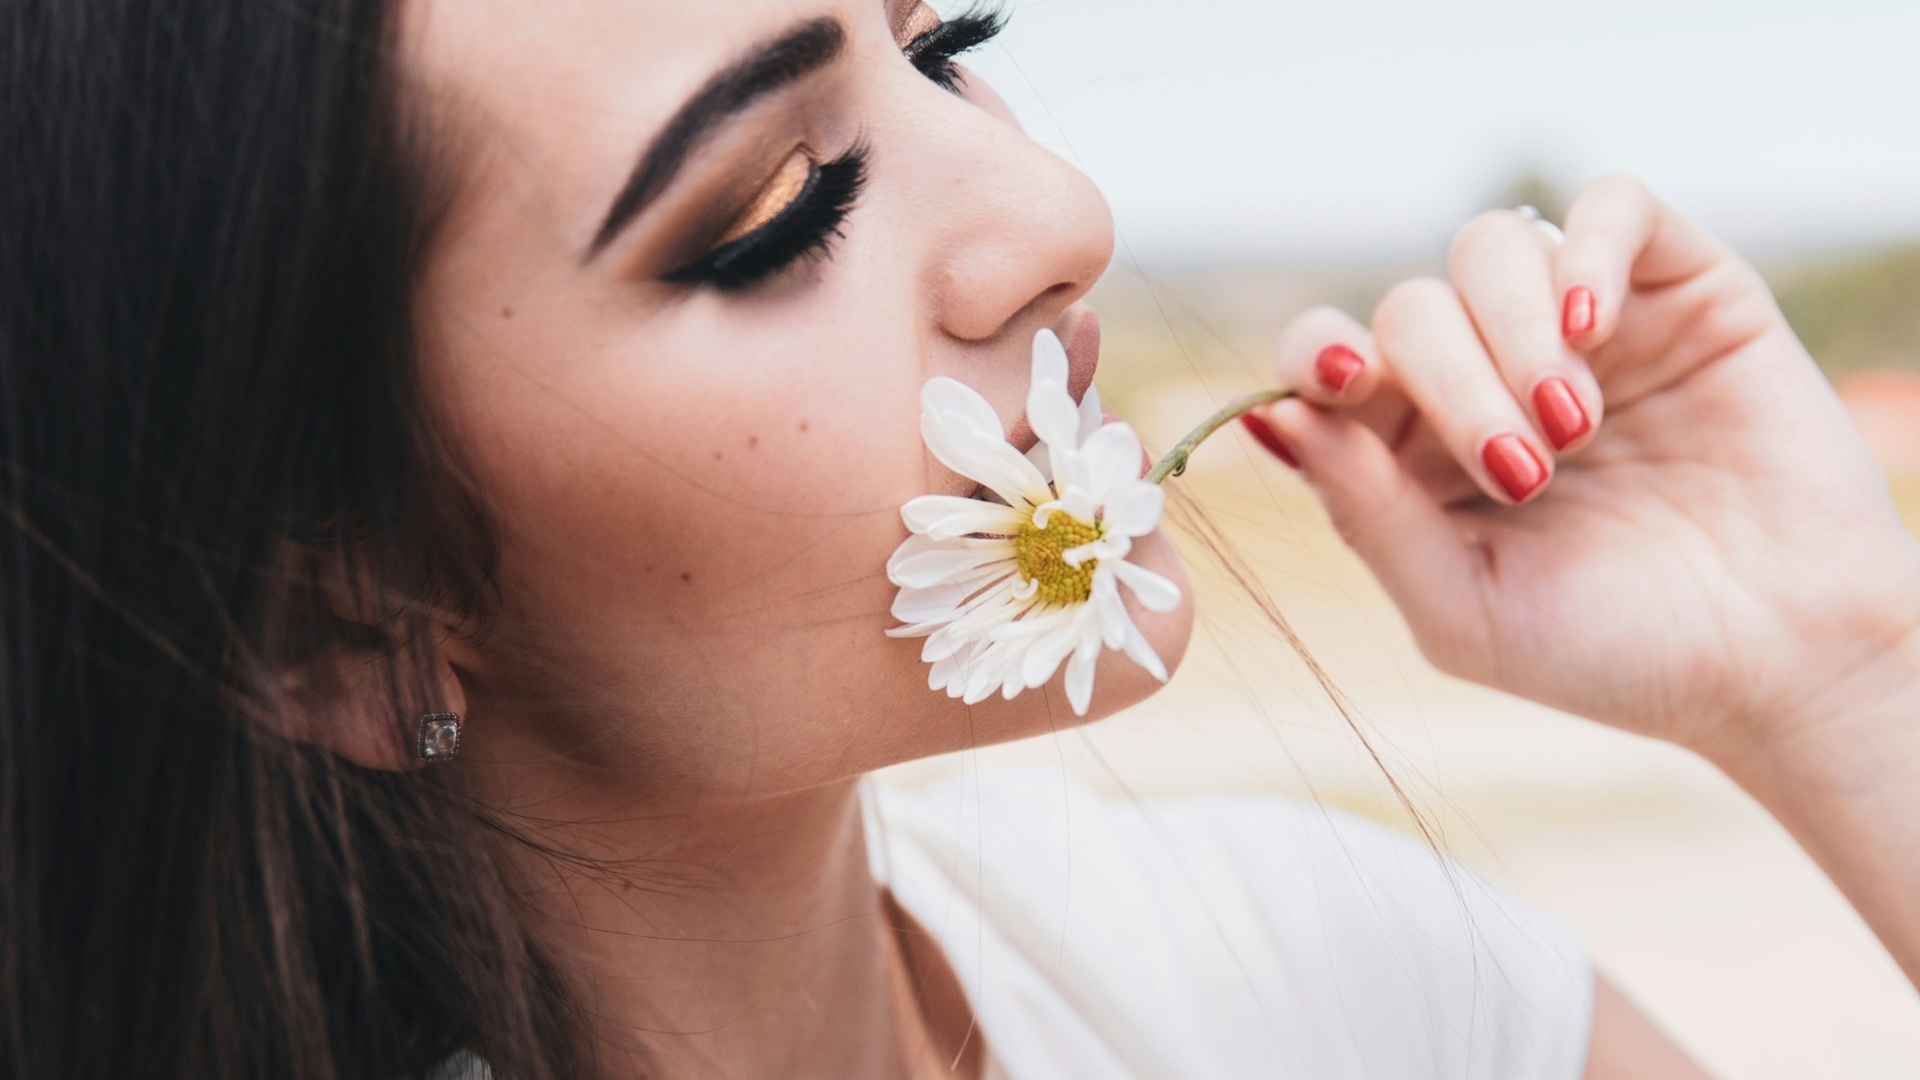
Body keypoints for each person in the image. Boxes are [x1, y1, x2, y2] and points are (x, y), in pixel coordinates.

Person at [3, 1, 1915, 1078]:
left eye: (945, 44)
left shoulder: (1296, 975)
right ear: (342, 623)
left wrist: (1834, 670)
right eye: (777, 207)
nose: (1058, 206)